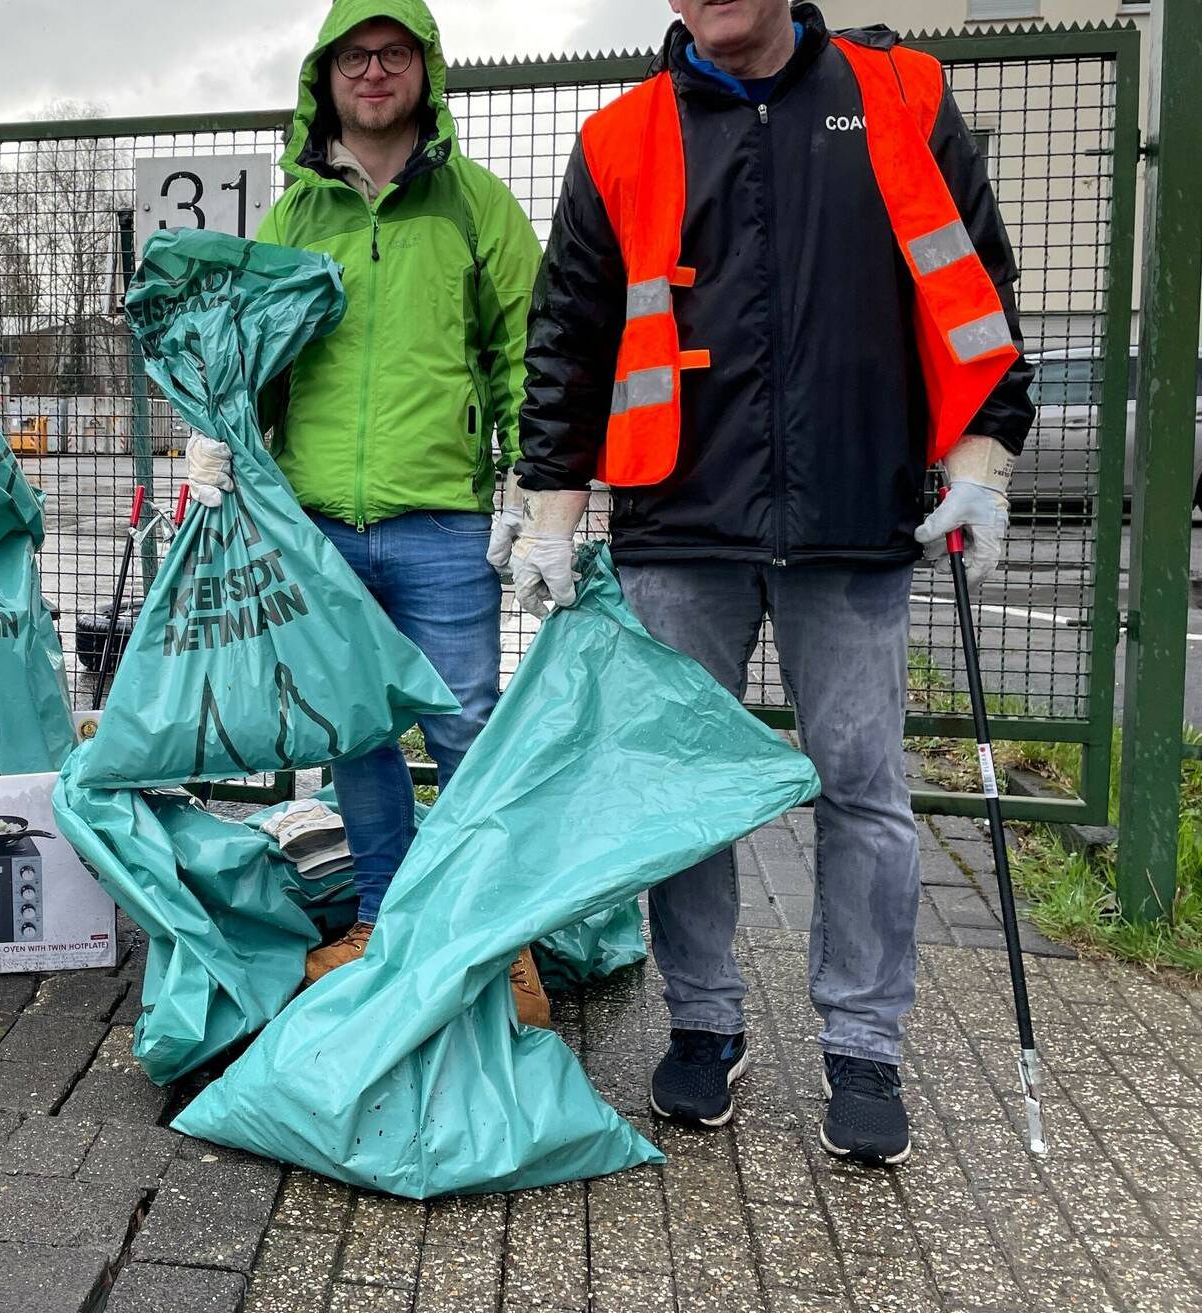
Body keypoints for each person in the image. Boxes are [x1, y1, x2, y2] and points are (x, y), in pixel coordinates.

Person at [514, 0, 1033, 1165]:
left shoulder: (900, 97)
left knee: (861, 788)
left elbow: (974, 288)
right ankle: (701, 1021)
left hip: (853, 518)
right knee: (681, 790)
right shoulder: (619, 139)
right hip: (676, 523)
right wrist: (547, 508)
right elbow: (567, 336)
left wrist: (981, 462)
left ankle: (862, 1041)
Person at [186, 0, 551, 1026]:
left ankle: (493, 937)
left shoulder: (476, 207)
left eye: (393, 53)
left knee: (467, 730)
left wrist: (527, 480)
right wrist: (216, 435)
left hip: (441, 520)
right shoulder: (294, 218)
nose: (374, 71)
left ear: (423, 72)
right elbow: (246, 350)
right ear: (325, 75)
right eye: (355, 54)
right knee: (356, 733)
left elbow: (524, 348)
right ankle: (385, 918)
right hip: (316, 526)